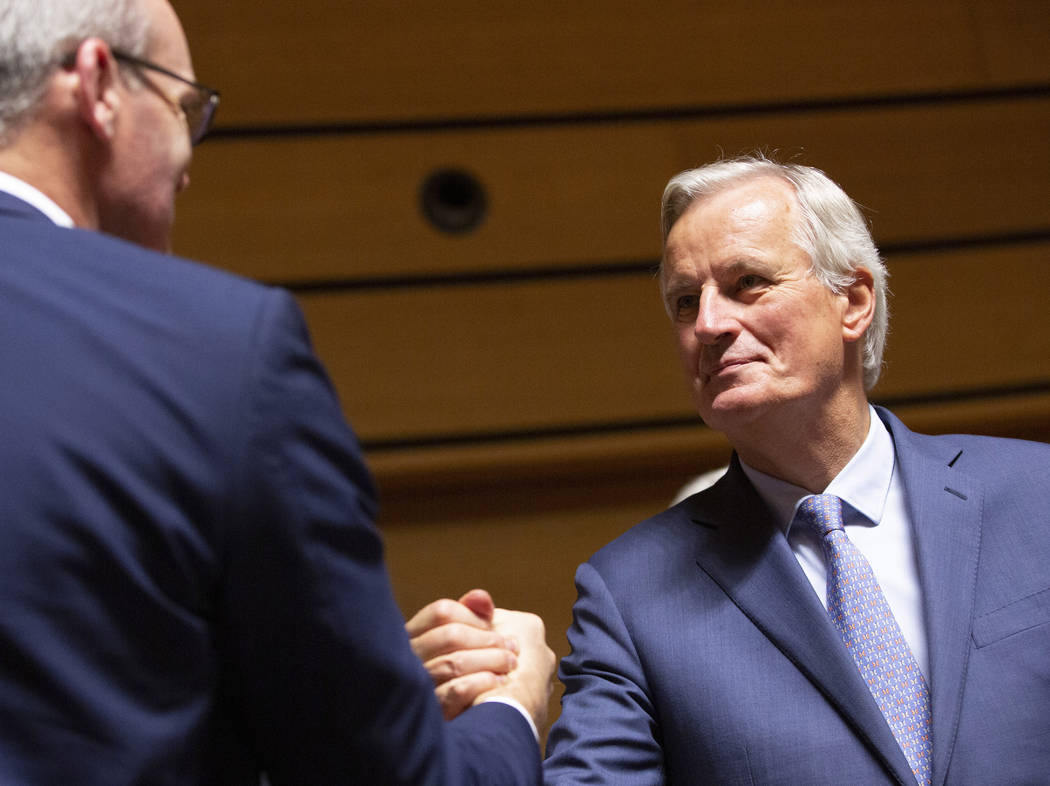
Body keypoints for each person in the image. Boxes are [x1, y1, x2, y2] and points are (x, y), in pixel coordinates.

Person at [0, 0, 554, 782]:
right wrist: (510, 708)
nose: (189, 161)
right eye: (186, 107)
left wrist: (352, 678)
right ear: (98, 85)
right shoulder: (215, 347)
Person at [411, 156, 1050, 784]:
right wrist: (507, 708)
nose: (709, 325)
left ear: (852, 301)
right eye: (686, 302)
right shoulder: (629, 596)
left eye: (748, 282)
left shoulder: (1035, 494)